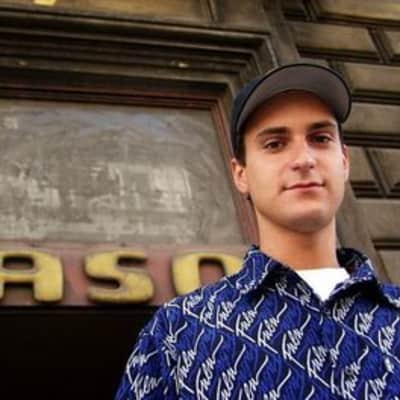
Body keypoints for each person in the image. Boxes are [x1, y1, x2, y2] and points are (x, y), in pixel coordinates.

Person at [115, 63, 400, 399]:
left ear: (345, 161)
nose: (304, 159)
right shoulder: (178, 332)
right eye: (275, 144)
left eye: (320, 138)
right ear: (241, 174)